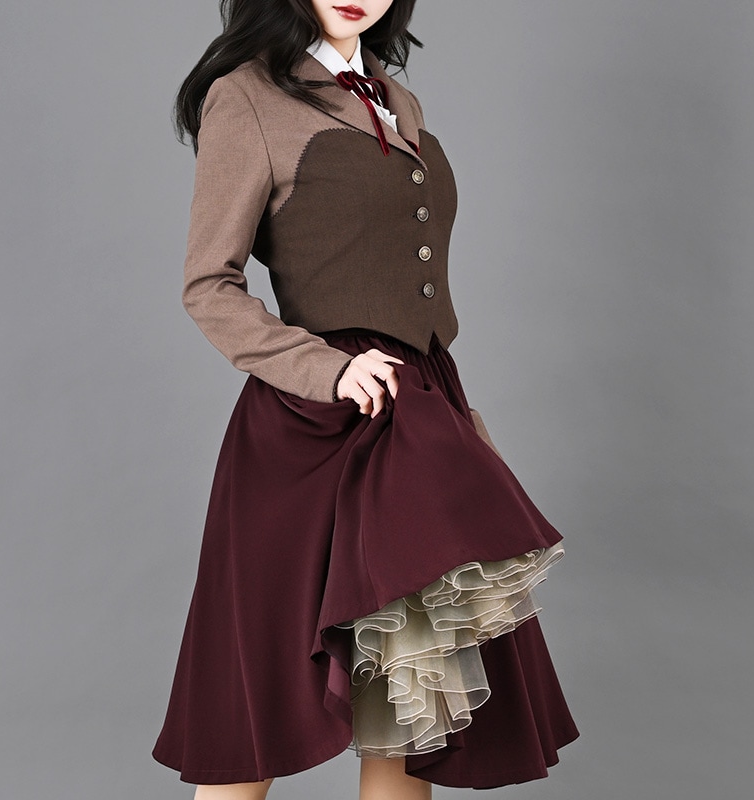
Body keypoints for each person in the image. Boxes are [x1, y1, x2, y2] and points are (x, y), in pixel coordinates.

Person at [151, 2, 579, 798]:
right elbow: (208, 286)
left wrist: (461, 417)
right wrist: (325, 370)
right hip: (306, 431)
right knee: (259, 708)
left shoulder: (396, 98)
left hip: (417, 413)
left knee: (407, 717)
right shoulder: (246, 95)